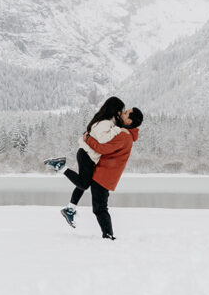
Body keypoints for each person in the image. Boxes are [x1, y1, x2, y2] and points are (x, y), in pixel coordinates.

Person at [46, 100, 144, 240]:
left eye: (126, 112)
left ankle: (108, 235)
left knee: (99, 206)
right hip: (102, 170)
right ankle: (72, 210)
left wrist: (87, 138)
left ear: (129, 121)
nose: (122, 112)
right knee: (86, 186)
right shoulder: (122, 131)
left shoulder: (124, 135)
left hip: (104, 174)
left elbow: (102, 148)